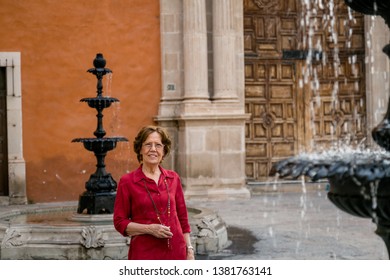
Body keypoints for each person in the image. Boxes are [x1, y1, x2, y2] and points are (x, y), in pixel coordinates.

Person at [113, 125, 195, 260]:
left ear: (164, 150)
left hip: (176, 252)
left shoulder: (173, 178)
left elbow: (183, 219)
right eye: (148, 145)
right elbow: (119, 222)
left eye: (158, 145)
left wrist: (189, 250)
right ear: (140, 149)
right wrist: (149, 229)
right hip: (144, 254)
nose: (153, 149)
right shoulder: (127, 182)